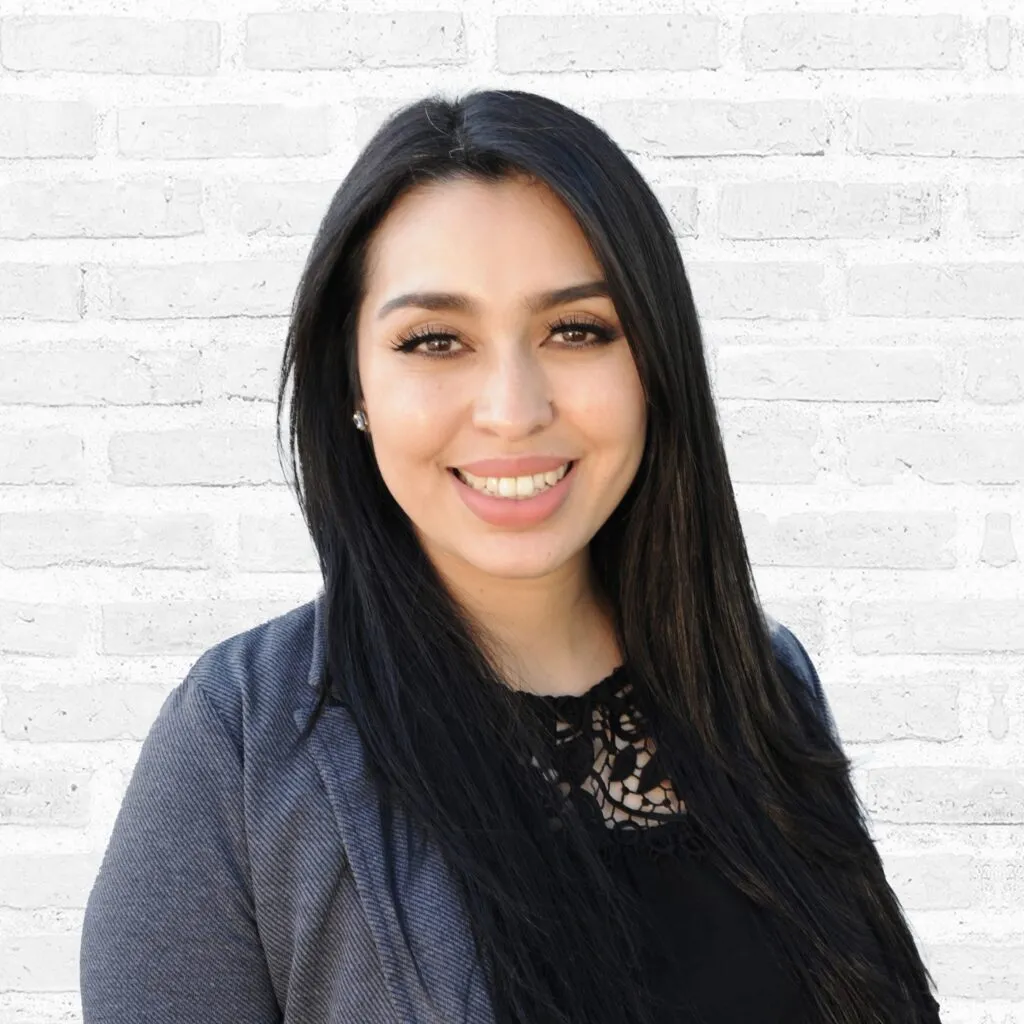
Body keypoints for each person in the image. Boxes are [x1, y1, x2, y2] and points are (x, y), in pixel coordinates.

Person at [79, 88, 942, 1023]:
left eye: (576, 330)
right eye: (435, 341)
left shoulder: (763, 681)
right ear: (352, 384)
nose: (512, 408)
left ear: (654, 362)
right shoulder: (244, 741)